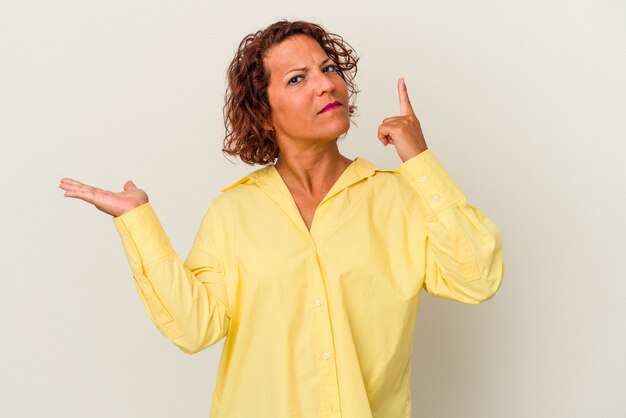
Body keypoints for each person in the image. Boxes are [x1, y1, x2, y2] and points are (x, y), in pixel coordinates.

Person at [60, 20, 504, 418]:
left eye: (329, 69)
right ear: (264, 114)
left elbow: (477, 278)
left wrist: (419, 160)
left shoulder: (399, 198)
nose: (326, 85)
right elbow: (194, 328)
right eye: (298, 78)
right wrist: (138, 221)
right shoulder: (234, 212)